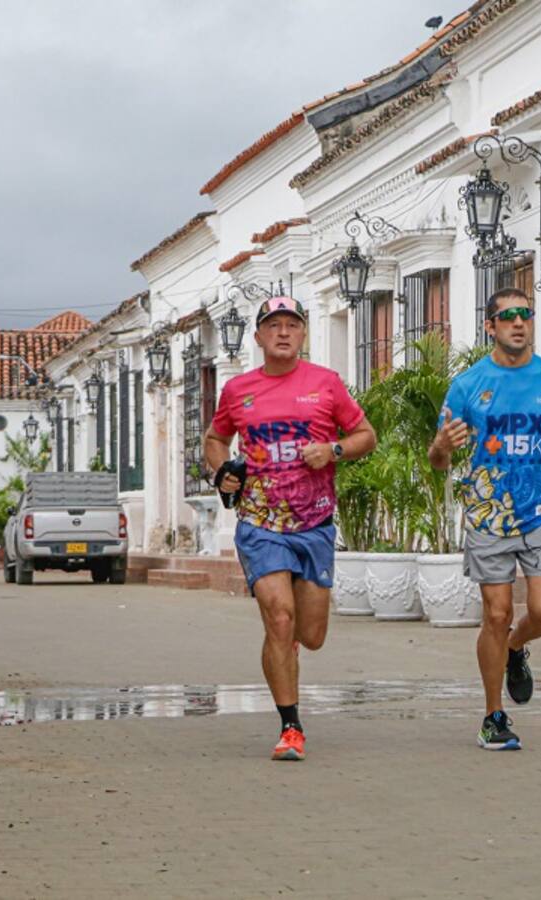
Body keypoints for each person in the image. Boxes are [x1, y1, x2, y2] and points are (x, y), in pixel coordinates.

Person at [204, 296, 377, 761]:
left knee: (311, 635)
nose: (283, 332)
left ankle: (287, 648)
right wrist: (223, 472)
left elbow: (366, 436)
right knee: (278, 616)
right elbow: (215, 439)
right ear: (259, 337)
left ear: (303, 334)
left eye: (292, 325)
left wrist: (333, 451)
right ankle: (291, 725)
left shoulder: (326, 384)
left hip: (314, 523)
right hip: (259, 523)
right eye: (273, 325)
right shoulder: (238, 389)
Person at [429, 287, 541, 751]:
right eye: (507, 316)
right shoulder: (468, 385)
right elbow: (437, 458)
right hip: (488, 515)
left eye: (525, 315)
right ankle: (494, 715)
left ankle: (516, 648)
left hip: (540, 512)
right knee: (496, 614)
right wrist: (443, 448)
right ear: (490, 327)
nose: (518, 323)